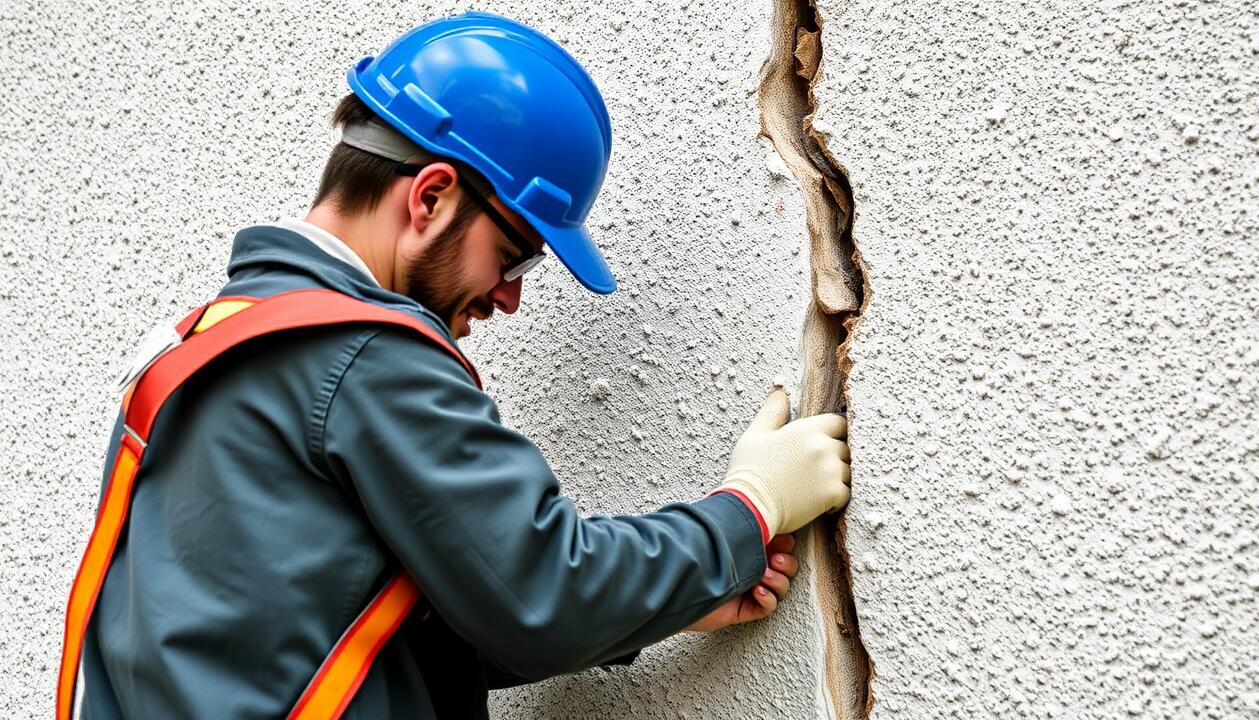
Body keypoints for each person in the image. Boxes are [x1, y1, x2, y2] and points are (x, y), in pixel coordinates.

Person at [66, 11, 852, 719]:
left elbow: (330, 639)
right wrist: (747, 513)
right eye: (513, 255)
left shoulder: (201, 349)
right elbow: (546, 593)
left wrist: (668, 599)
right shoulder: (363, 357)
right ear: (431, 197)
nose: (508, 298)